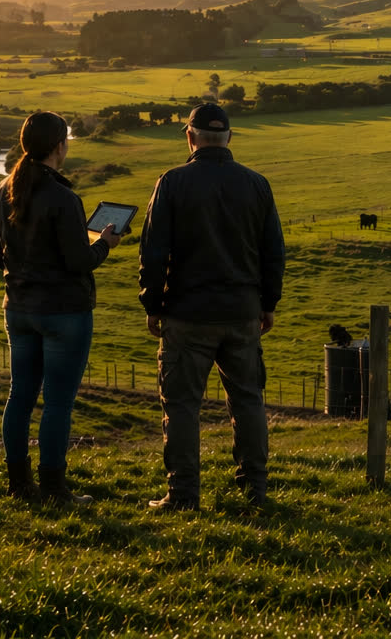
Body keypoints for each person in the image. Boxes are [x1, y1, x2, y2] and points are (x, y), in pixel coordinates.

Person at [138, 102, 285, 511]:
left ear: (190, 137)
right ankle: (255, 490)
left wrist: (152, 303)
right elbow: (274, 251)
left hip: (186, 314)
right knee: (248, 400)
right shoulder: (257, 184)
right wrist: (268, 303)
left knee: (183, 406)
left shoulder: (171, 182)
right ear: (230, 139)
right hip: (242, 312)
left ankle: (184, 495)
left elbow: (153, 252)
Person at [0, 111, 118, 505]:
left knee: (20, 397)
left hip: (19, 309)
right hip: (65, 312)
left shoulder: (3, 190)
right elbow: (78, 261)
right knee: (58, 403)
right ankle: (54, 488)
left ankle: (18, 484)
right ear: (59, 146)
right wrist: (105, 244)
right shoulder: (64, 198)